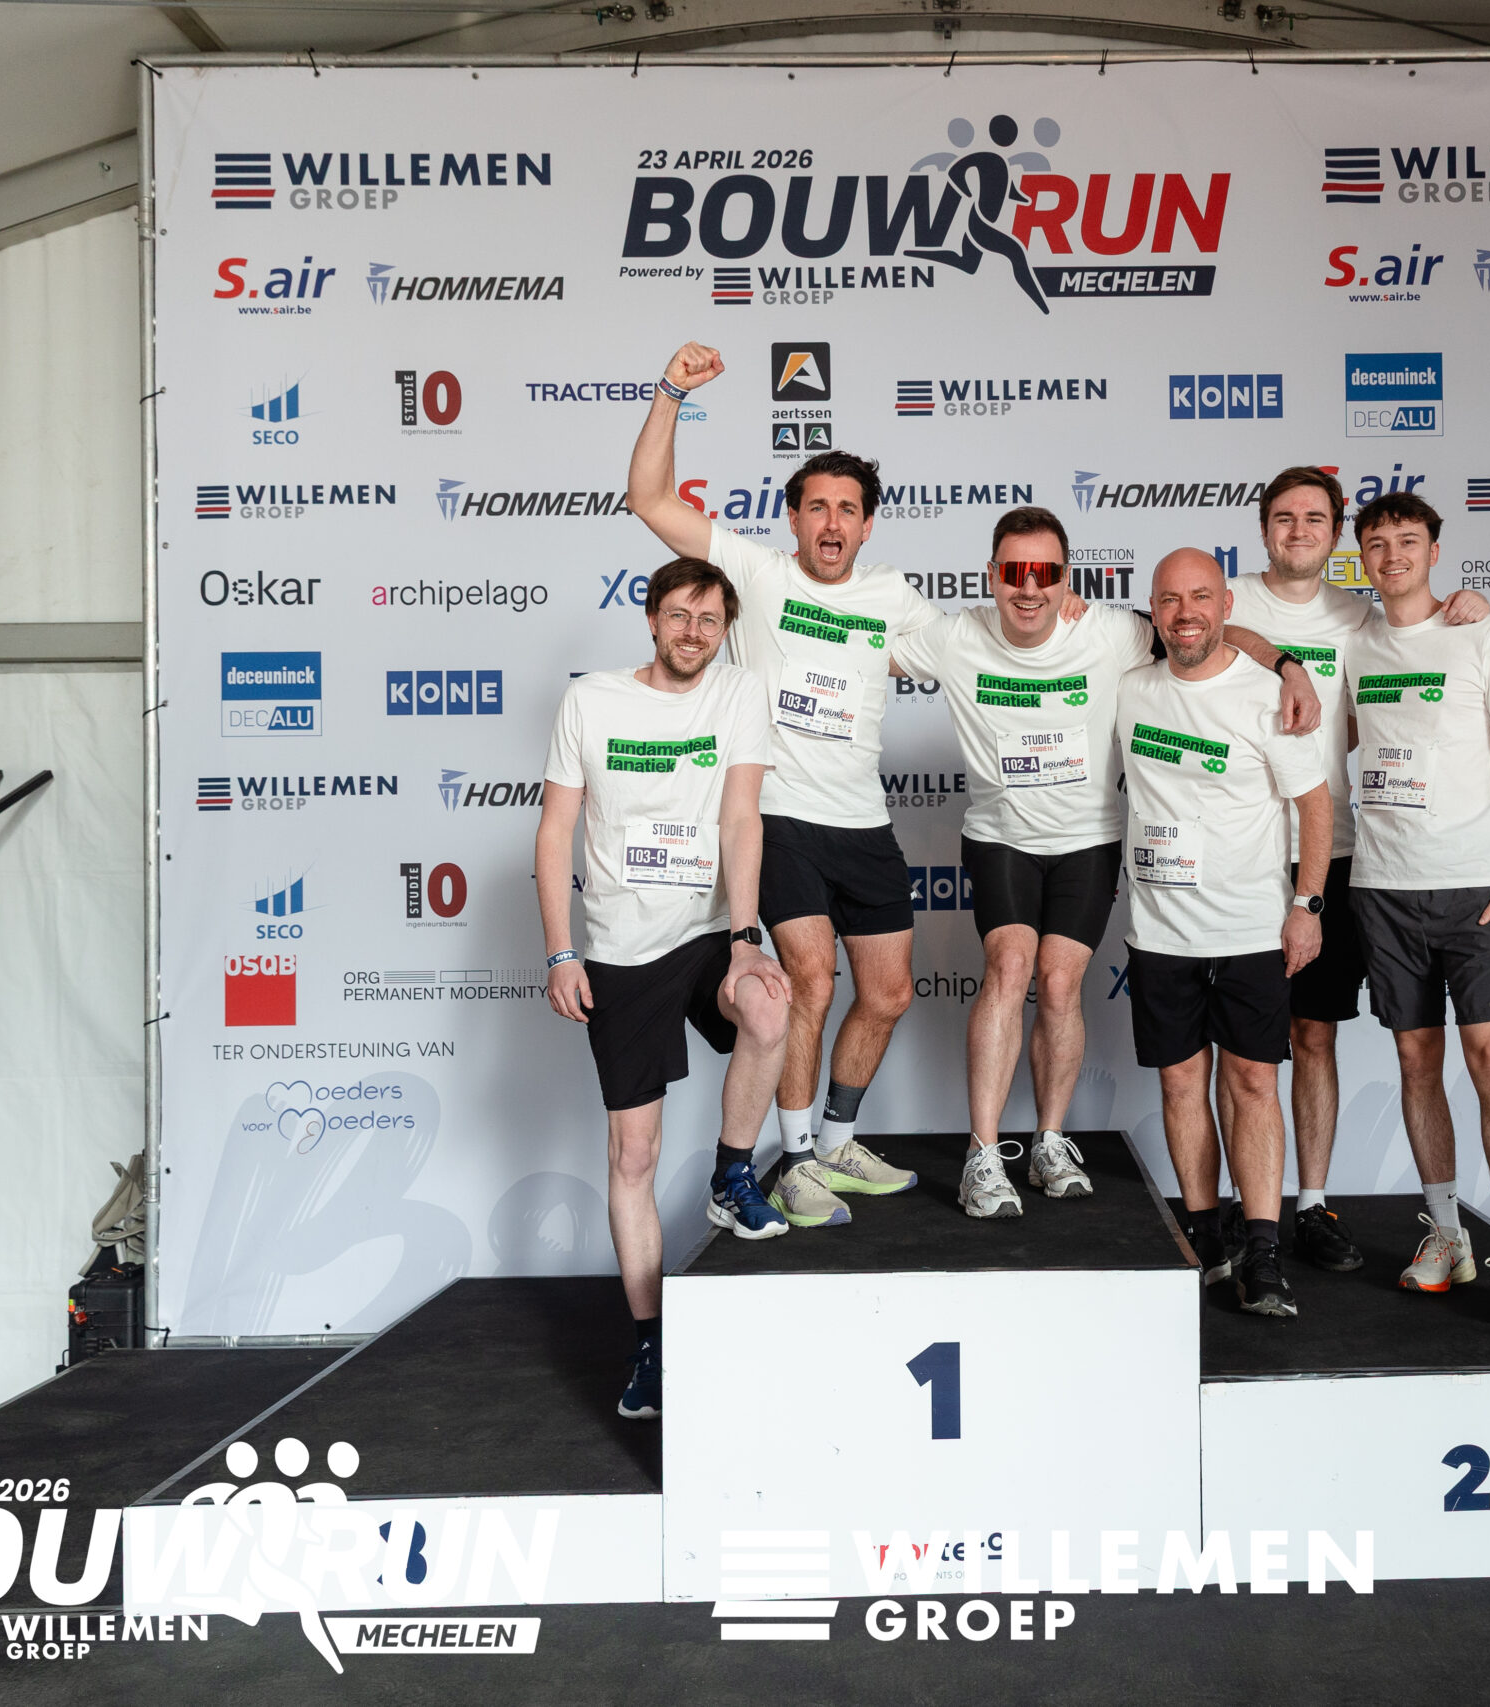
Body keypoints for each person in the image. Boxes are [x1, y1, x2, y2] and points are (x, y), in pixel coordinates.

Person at [889, 507, 1330, 1218]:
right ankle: (982, 1154)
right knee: (1009, 967)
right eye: (1014, 572)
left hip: (1088, 842)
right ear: (991, 576)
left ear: (1067, 579)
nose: (1028, 587)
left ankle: (1050, 1140)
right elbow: (859, 650)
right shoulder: (956, 635)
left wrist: (1287, 665)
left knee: (1061, 983)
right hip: (1002, 838)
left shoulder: (1112, 630)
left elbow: (1212, 631)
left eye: (1045, 573)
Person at [625, 341, 927, 1230]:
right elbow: (649, 499)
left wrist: (1065, 614)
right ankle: (792, 1162)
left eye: (848, 509)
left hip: (862, 821)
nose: (832, 522)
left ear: (867, 526)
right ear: (792, 517)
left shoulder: (891, 595)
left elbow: (984, 650)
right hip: (778, 815)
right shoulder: (757, 574)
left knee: (890, 992)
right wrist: (671, 393)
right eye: (817, 506)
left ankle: (835, 1141)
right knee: (808, 981)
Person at [534, 558, 794, 1419]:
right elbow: (556, 829)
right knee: (633, 1156)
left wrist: (747, 939)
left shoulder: (739, 693)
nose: (693, 632)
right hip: (620, 948)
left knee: (769, 1003)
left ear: (724, 630)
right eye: (680, 615)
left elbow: (741, 816)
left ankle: (731, 1173)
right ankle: (649, 1343)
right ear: (651, 618)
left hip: (706, 930)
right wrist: (561, 952)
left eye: (709, 620)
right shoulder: (591, 701)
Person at [1221, 467, 1490, 1274]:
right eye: (1283, 517)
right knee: (1236, 1049)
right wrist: (1284, 662)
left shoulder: (1360, 618)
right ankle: (1241, 1210)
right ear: (1263, 529)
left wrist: (1467, 606)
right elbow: (1177, 633)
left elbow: (1423, 643)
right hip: (1233, 855)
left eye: (1315, 518)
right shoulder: (1228, 599)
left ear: (1336, 533)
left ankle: (1311, 1204)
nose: (1298, 530)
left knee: (1313, 1034)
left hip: (1328, 852)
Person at [1341, 491, 1490, 1326]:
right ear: (1361, 556)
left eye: (1408, 541)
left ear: (1434, 550)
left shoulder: (1484, 633)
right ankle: (1446, 1232)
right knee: (1415, 1061)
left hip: (1476, 887)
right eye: (1377, 543)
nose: (1392, 555)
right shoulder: (1353, 641)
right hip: (1383, 887)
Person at [1117, 549, 1331, 1316]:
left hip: (1249, 931)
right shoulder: (1130, 687)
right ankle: (1207, 1237)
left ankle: (1264, 1250)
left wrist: (1308, 905)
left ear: (1226, 604)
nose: (1186, 613)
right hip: (1160, 934)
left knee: (1252, 1084)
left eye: (1201, 597)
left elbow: (1315, 805)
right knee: (1181, 1084)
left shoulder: (1266, 695)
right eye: (1170, 600)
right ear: (1152, 609)